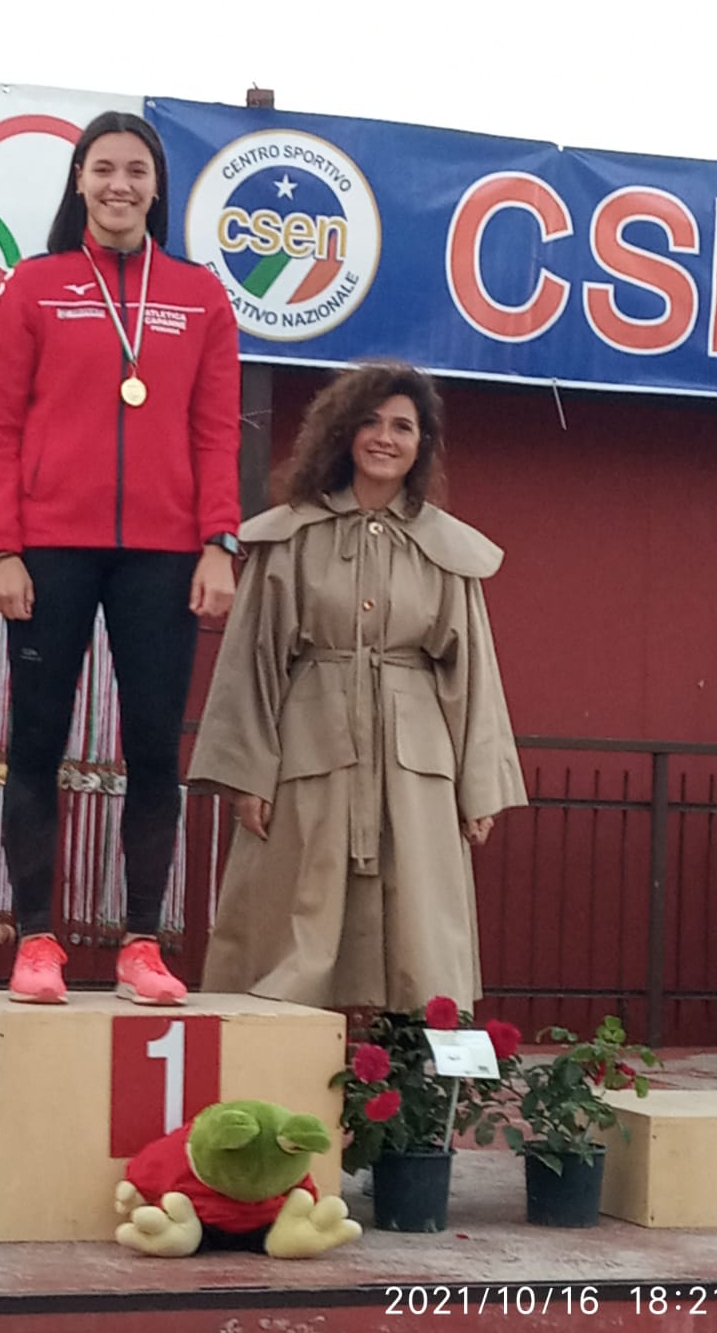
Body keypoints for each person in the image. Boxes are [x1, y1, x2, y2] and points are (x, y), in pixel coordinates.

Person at [0, 111, 241, 1007]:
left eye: (136, 170)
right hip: (51, 548)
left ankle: (141, 944)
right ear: (80, 181)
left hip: (164, 554)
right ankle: (36, 941)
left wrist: (219, 541)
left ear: (157, 185)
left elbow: (216, 430)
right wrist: (2, 547)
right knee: (37, 742)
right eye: (103, 169)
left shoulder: (200, 297)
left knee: (154, 750)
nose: (119, 185)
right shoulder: (35, 286)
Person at [188, 362, 526, 1012]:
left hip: (416, 768)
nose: (384, 438)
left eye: (403, 426)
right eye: (370, 422)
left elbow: (473, 672)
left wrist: (478, 785)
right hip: (309, 752)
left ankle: (414, 1068)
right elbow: (252, 659)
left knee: (419, 932)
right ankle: (278, 1060)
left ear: (422, 444)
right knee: (295, 919)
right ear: (343, 432)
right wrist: (248, 776)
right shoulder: (292, 536)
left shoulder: (445, 549)